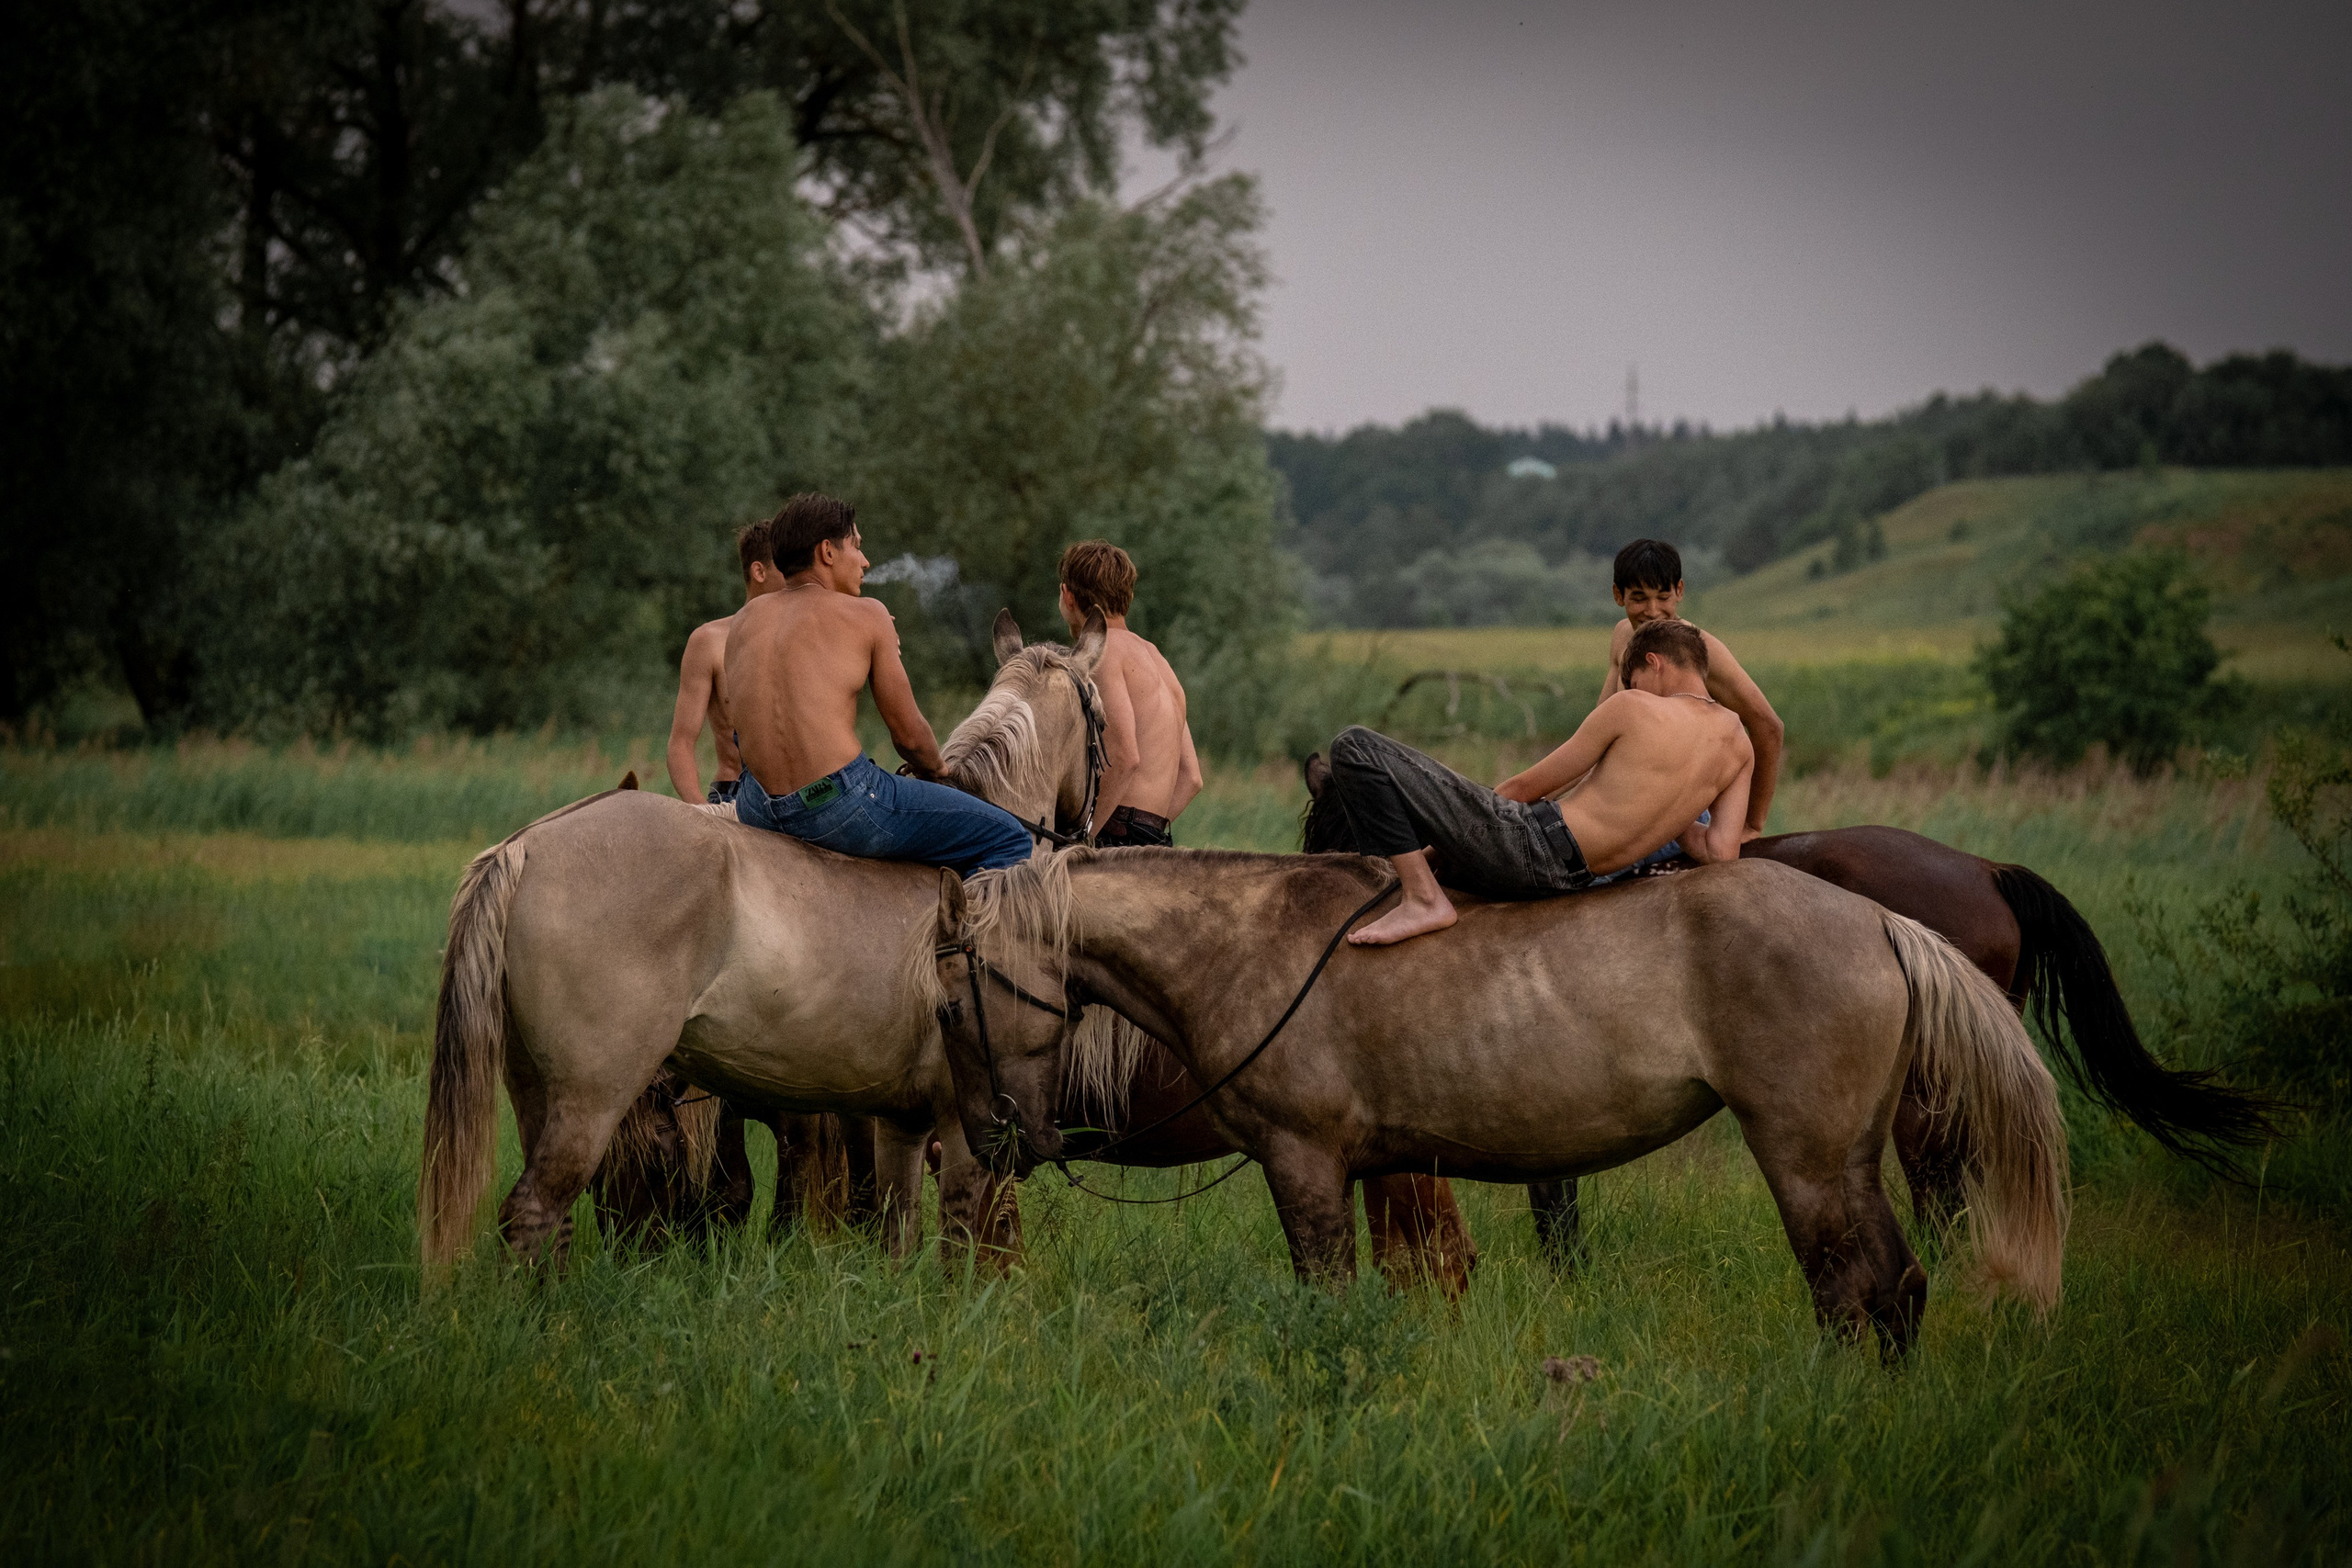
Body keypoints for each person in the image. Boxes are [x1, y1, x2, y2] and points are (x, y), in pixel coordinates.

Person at [1331, 617, 1753, 946]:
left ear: (1653, 662)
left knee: (1355, 747)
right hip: (1574, 879)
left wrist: (1439, 848)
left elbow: (1524, 791)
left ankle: (1423, 898)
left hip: (1531, 843)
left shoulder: (1633, 707)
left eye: (1635, 680)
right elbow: (1721, 853)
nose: (1635, 689)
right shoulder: (1738, 745)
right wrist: (1672, 812)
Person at [724, 493, 1035, 874]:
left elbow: (743, 729)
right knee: (1009, 837)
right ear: (827, 552)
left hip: (757, 807)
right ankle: (961, 917)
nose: (866, 561)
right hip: (837, 805)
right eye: (856, 545)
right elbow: (908, 736)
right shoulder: (869, 614)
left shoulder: (742, 621)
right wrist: (939, 770)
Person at [1600, 538, 1785, 843]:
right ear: (1619, 595)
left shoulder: (1701, 650)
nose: (1652, 611)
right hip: (1627, 804)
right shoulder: (1623, 636)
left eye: (1663, 597)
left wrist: (1752, 825)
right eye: (1639, 598)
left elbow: (1768, 725)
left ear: (1679, 591)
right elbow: (1600, 730)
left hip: (1680, 814)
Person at [1055, 541, 1203, 847]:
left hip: (1112, 835)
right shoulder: (1158, 660)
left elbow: (1125, 755)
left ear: (1067, 596)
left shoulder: (1104, 652)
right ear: (1128, 596)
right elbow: (1191, 778)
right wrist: (1146, 837)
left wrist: (1084, 838)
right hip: (1153, 839)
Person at [665, 519, 783, 805]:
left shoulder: (813, 638)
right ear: (759, 571)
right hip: (734, 794)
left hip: (799, 798)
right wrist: (701, 812)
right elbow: (681, 743)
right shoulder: (709, 641)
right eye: (787, 567)